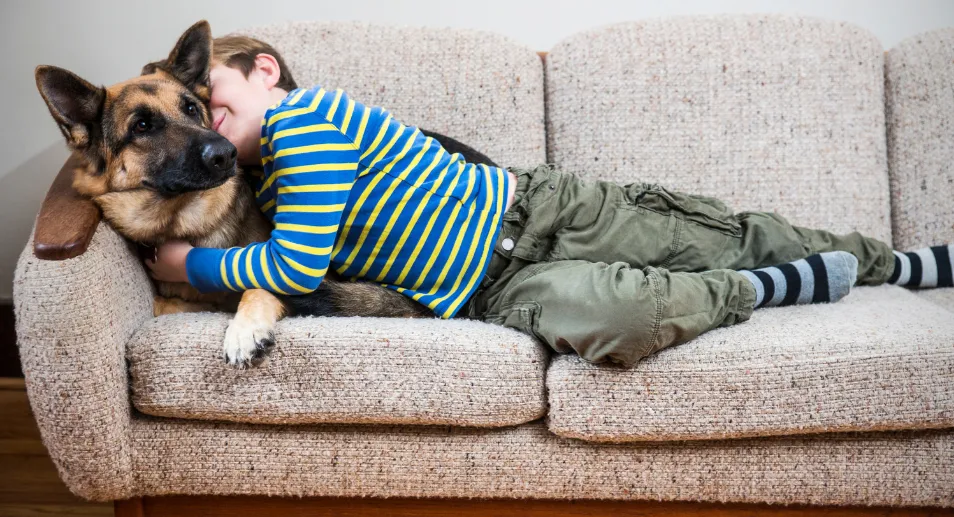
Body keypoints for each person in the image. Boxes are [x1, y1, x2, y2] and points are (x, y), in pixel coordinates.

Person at [146, 34, 954, 367]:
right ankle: (764, 292)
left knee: (720, 232)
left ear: (265, 70)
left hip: (539, 211)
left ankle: (901, 262)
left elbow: (296, 264)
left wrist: (194, 264)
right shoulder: (262, 181)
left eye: (208, 91)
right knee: (621, 323)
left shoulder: (306, 120)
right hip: (493, 291)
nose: (204, 116)